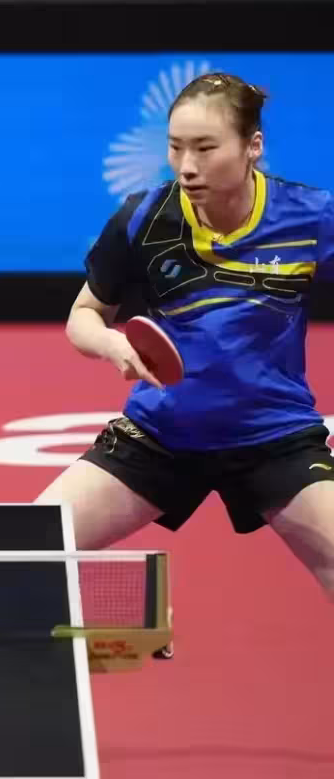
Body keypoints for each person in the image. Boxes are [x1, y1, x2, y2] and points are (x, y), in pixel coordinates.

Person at [38, 72, 334, 606]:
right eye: (175, 147)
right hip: (161, 434)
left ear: (252, 146)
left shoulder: (311, 217)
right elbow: (83, 316)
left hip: (275, 436)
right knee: (28, 551)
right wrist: (113, 345)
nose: (187, 166)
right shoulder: (144, 217)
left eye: (205, 147)